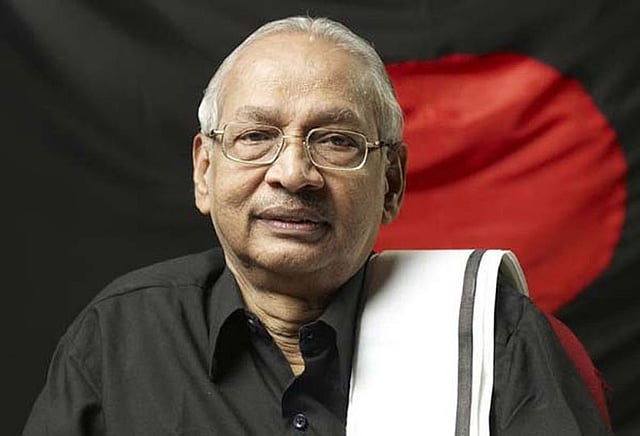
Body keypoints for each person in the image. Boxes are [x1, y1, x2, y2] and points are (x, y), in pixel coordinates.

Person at [23, 16, 612, 435]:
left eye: (335, 141)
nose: (293, 173)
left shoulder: (490, 335)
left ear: (391, 184)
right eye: (256, 136)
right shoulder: (119, 337)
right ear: (205, 171)